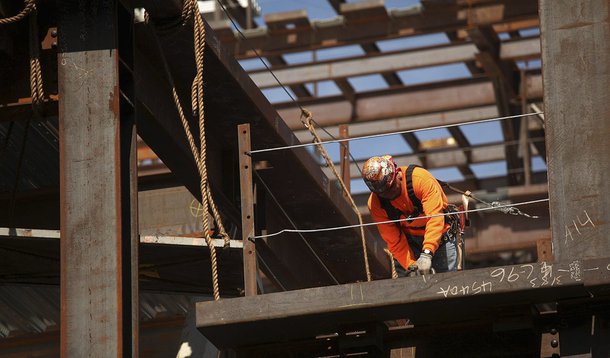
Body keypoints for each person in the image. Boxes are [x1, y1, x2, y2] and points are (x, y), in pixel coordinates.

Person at [362, 155, 458, 275]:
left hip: (440, 238)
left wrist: (427, 253)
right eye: (383, 193)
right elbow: (394, 241)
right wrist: (410, 266)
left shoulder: (420, 180)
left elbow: (435, 218)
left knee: (447, 286)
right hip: (410, 244)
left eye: (391, 188)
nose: (389, 195)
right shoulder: (376, 204)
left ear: (397, 174)